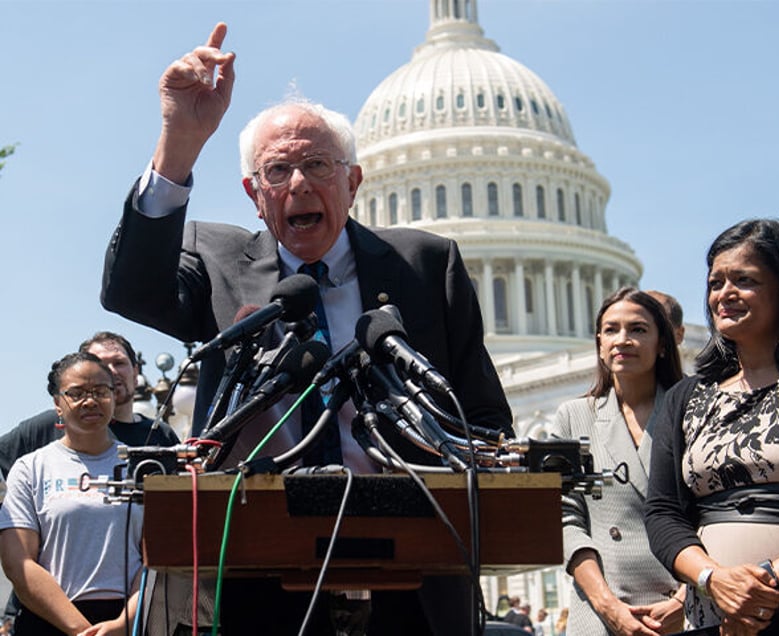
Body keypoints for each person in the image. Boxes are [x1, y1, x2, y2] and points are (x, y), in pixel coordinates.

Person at [99, 23, 513, 636]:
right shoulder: (216, 261)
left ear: (353, 181)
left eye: (317, 164)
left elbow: (480, 413)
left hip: (416, 559)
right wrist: (178, 143)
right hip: (261, 560)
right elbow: (129, 292)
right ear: (253, 194)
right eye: (277, 171)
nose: (297, 184)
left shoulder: (426, 265)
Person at [645, 219, 779, 634]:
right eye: (715, 282)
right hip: (716, 614)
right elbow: (663, 510)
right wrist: (714, 580)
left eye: (744, 280)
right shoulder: (688, 397)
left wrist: (765, 582)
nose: (724, 294)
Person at [552, 287, 685, 635]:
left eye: (638, 329)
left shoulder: (694, 410)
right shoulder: (573, 417)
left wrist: (686, 600)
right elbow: (562, 517)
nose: (622, 340)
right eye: (611, 330)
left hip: (682, 610)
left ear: (663, 344)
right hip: (602, 613)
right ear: (598, 342)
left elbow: (717, 512)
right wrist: (608, 606)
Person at [0, 352, 144, 635]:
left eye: (101, 391)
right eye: (76, 393)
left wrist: (122, 624)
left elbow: (157, 561)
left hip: (129, 622)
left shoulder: (142, 467)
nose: (90, 401)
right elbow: (18, 562)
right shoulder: (31, 468)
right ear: (57, 403)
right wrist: (81, 630)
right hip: (49, 620)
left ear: (114, 397)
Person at [0, 331, 181, 479]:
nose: (111, 371)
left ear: (135, 373)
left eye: (119, 363)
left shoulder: (161, 435)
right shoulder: (46, 426)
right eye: (99, 364)